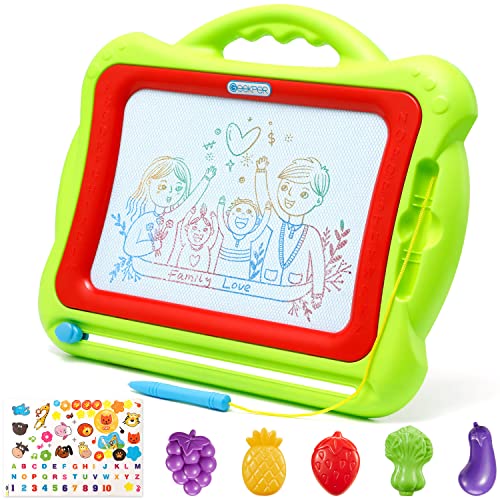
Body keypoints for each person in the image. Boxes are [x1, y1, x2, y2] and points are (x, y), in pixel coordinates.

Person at [254, 156, 330, 308]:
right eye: (284, 187)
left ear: (318, 200)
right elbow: (264, 202)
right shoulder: (277, 224)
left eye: (303, 194)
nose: (289, 195)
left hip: (294, 290)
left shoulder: (312, 235)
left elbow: (318, 265)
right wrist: (261, 172)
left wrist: (317, 294)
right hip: (267, 286)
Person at [123, 156, 216, 265]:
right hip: (142, 267)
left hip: (164, 269)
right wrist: (152, 246)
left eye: (178, 188)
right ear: (149, 182)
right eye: (163, 186)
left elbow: (190, 202)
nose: (170, 193)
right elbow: (129, 247)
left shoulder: (173, 216)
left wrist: (206, 179)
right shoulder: (145, 219)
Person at [215, 196, 272, 279]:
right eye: (238, 210)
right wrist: (221, 205)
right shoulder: (227, 233)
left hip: (241, 270)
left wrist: (267, 211)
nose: (243, 214)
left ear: (257, 221)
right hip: (221, 266)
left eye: (249, 212)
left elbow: (262, 226)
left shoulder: (249, 237)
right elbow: (220, 219)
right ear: (228, 214)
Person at [176, 204, 219, 272]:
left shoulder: (207, 246)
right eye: (194, 227)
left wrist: (214, 219)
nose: (199, 231)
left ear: (211, 232)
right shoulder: (185, 242)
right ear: (187, 228)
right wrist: (190, 214)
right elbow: (183, 226)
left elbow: (215, 232)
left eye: (205, 230)